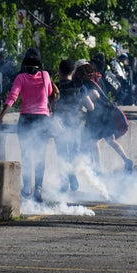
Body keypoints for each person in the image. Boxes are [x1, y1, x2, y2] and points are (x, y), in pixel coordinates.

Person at [0, 48, 57, 203]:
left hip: (26, 119)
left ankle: (27, 188)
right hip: (42, 119)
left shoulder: (20, 78)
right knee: (40, 155)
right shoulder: (45, 75)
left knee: (27, 154)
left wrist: (1, 116)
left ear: (24, 64)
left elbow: (12, 98)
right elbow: (49, 93)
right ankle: (38, 189)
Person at [74, 63, 133, 174]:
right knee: (111, 140)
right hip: (107, 113)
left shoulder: (87, 82)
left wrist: (84, 100)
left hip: (97, 116)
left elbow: (95, 96)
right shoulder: (97, 78)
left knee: (92, 141)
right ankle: (126, 160)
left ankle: (98, 168)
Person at [53, 59, 83, 192]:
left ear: (59, 72)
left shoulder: (56, 87)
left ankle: (64, 181)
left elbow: (52, 106)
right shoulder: (78, 86)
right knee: (74, 152)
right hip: (74, 124)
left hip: (59, 124)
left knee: (61, 153)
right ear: (73, 71)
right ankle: (72, 174)